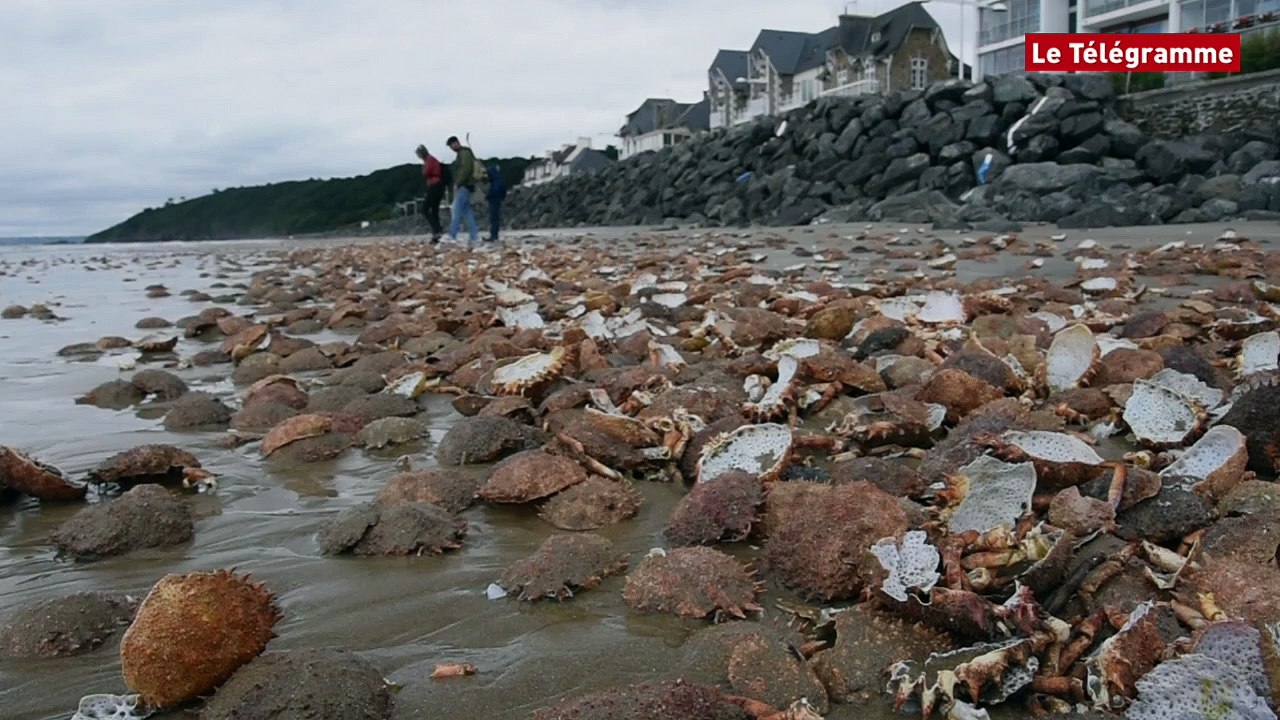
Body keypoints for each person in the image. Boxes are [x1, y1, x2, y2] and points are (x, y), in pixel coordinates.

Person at [446, 135, 480, 246]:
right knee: (466, 211)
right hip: (468, 185)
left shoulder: (464, 153)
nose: (451, 149)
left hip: (464, 185)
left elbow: (466, 169)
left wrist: (458, 183)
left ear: (456, 143)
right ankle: (474, 236)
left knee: (457, 209)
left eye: (451, 146)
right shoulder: (464, 153)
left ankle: (452, 235)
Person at [415, 144, 446, 242]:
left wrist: (423, 168)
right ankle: (436, 234)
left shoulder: (429, 160)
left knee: (425, 209)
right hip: (439, 186)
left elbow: (426, 173)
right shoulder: (432, 159)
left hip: (435, 186)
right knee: (434, 210)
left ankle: (437, 228)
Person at [485, 163, 507, 242]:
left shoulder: (495, 181)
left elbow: (495, 191)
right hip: (498, 200)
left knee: (494, 219)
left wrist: (488, 196)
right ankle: (494, 235)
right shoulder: (498, 180)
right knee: (495, 219)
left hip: (494, 201)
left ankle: (493, 236)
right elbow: (503, 190)